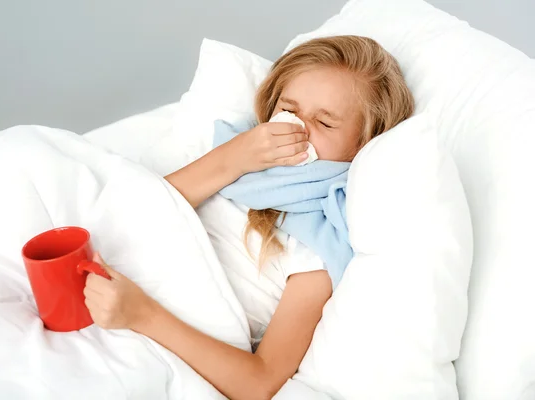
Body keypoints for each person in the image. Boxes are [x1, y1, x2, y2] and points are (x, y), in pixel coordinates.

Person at [83, 35, 414, 400]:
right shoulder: (229, 158)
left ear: (364, 146)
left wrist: (141, 315)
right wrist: (236, 157)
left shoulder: (316, 249)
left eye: (325, 123)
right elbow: (125, 217)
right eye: (289, 108)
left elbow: (259, 382)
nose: (296, 128)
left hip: (144, 335)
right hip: (96, 288)